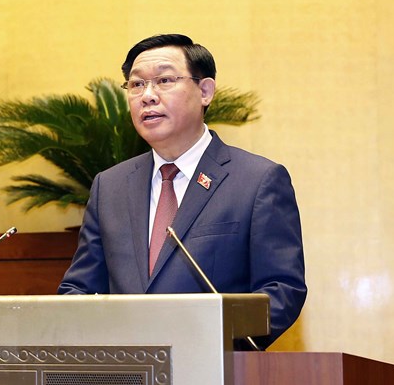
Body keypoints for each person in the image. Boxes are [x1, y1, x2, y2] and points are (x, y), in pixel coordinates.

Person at [57, 34, 307, 349]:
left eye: (164, 81)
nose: (147, 96)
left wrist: (205, 342)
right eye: (136, 85)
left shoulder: (257, 181)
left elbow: (282, 291)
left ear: (205, 91)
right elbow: (78, 290)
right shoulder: (110, 186)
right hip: (126, 367)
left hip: (215, 364)